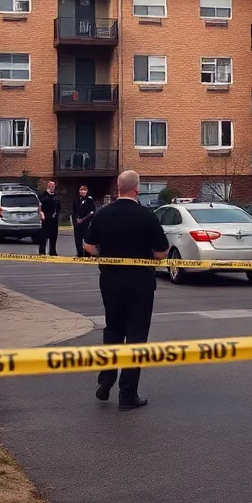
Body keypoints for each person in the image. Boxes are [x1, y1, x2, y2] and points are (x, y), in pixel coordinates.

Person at [83, 170, 168, 410]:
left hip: (110, 281)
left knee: (113, 330)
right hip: (140, 283)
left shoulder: (102, 215)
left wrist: (105, 257)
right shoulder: (147, 216)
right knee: (136, 337)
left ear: (118, 188)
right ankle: (127, 395)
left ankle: (106, 380)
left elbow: (89, 246)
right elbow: (162, 252)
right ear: (137, 189)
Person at [71, 184, 97, 258]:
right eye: (81, 190)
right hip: (77, 223)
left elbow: (92, 212)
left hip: (86, 222)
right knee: (78, 239)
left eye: (84, 190)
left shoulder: (89, 199)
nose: (82, 192)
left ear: (86, 191)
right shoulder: (76, 199)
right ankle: (79, 253)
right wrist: (75, 220)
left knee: (86, 238)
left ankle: (87, 254)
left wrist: (84, 220)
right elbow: (74, 211)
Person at [38, 180, 61, 256]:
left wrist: (57, 214)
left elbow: (59, 207)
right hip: (46, 219)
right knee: (44, 236)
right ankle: (42, 251)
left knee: (54, 236)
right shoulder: (43, 196)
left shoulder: (56, 197)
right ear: (48, 186)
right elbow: (40, 207)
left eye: (53, 186)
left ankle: (53, 251)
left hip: (54, 219)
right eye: (51, 185)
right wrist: (42, 215)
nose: (52, 187)